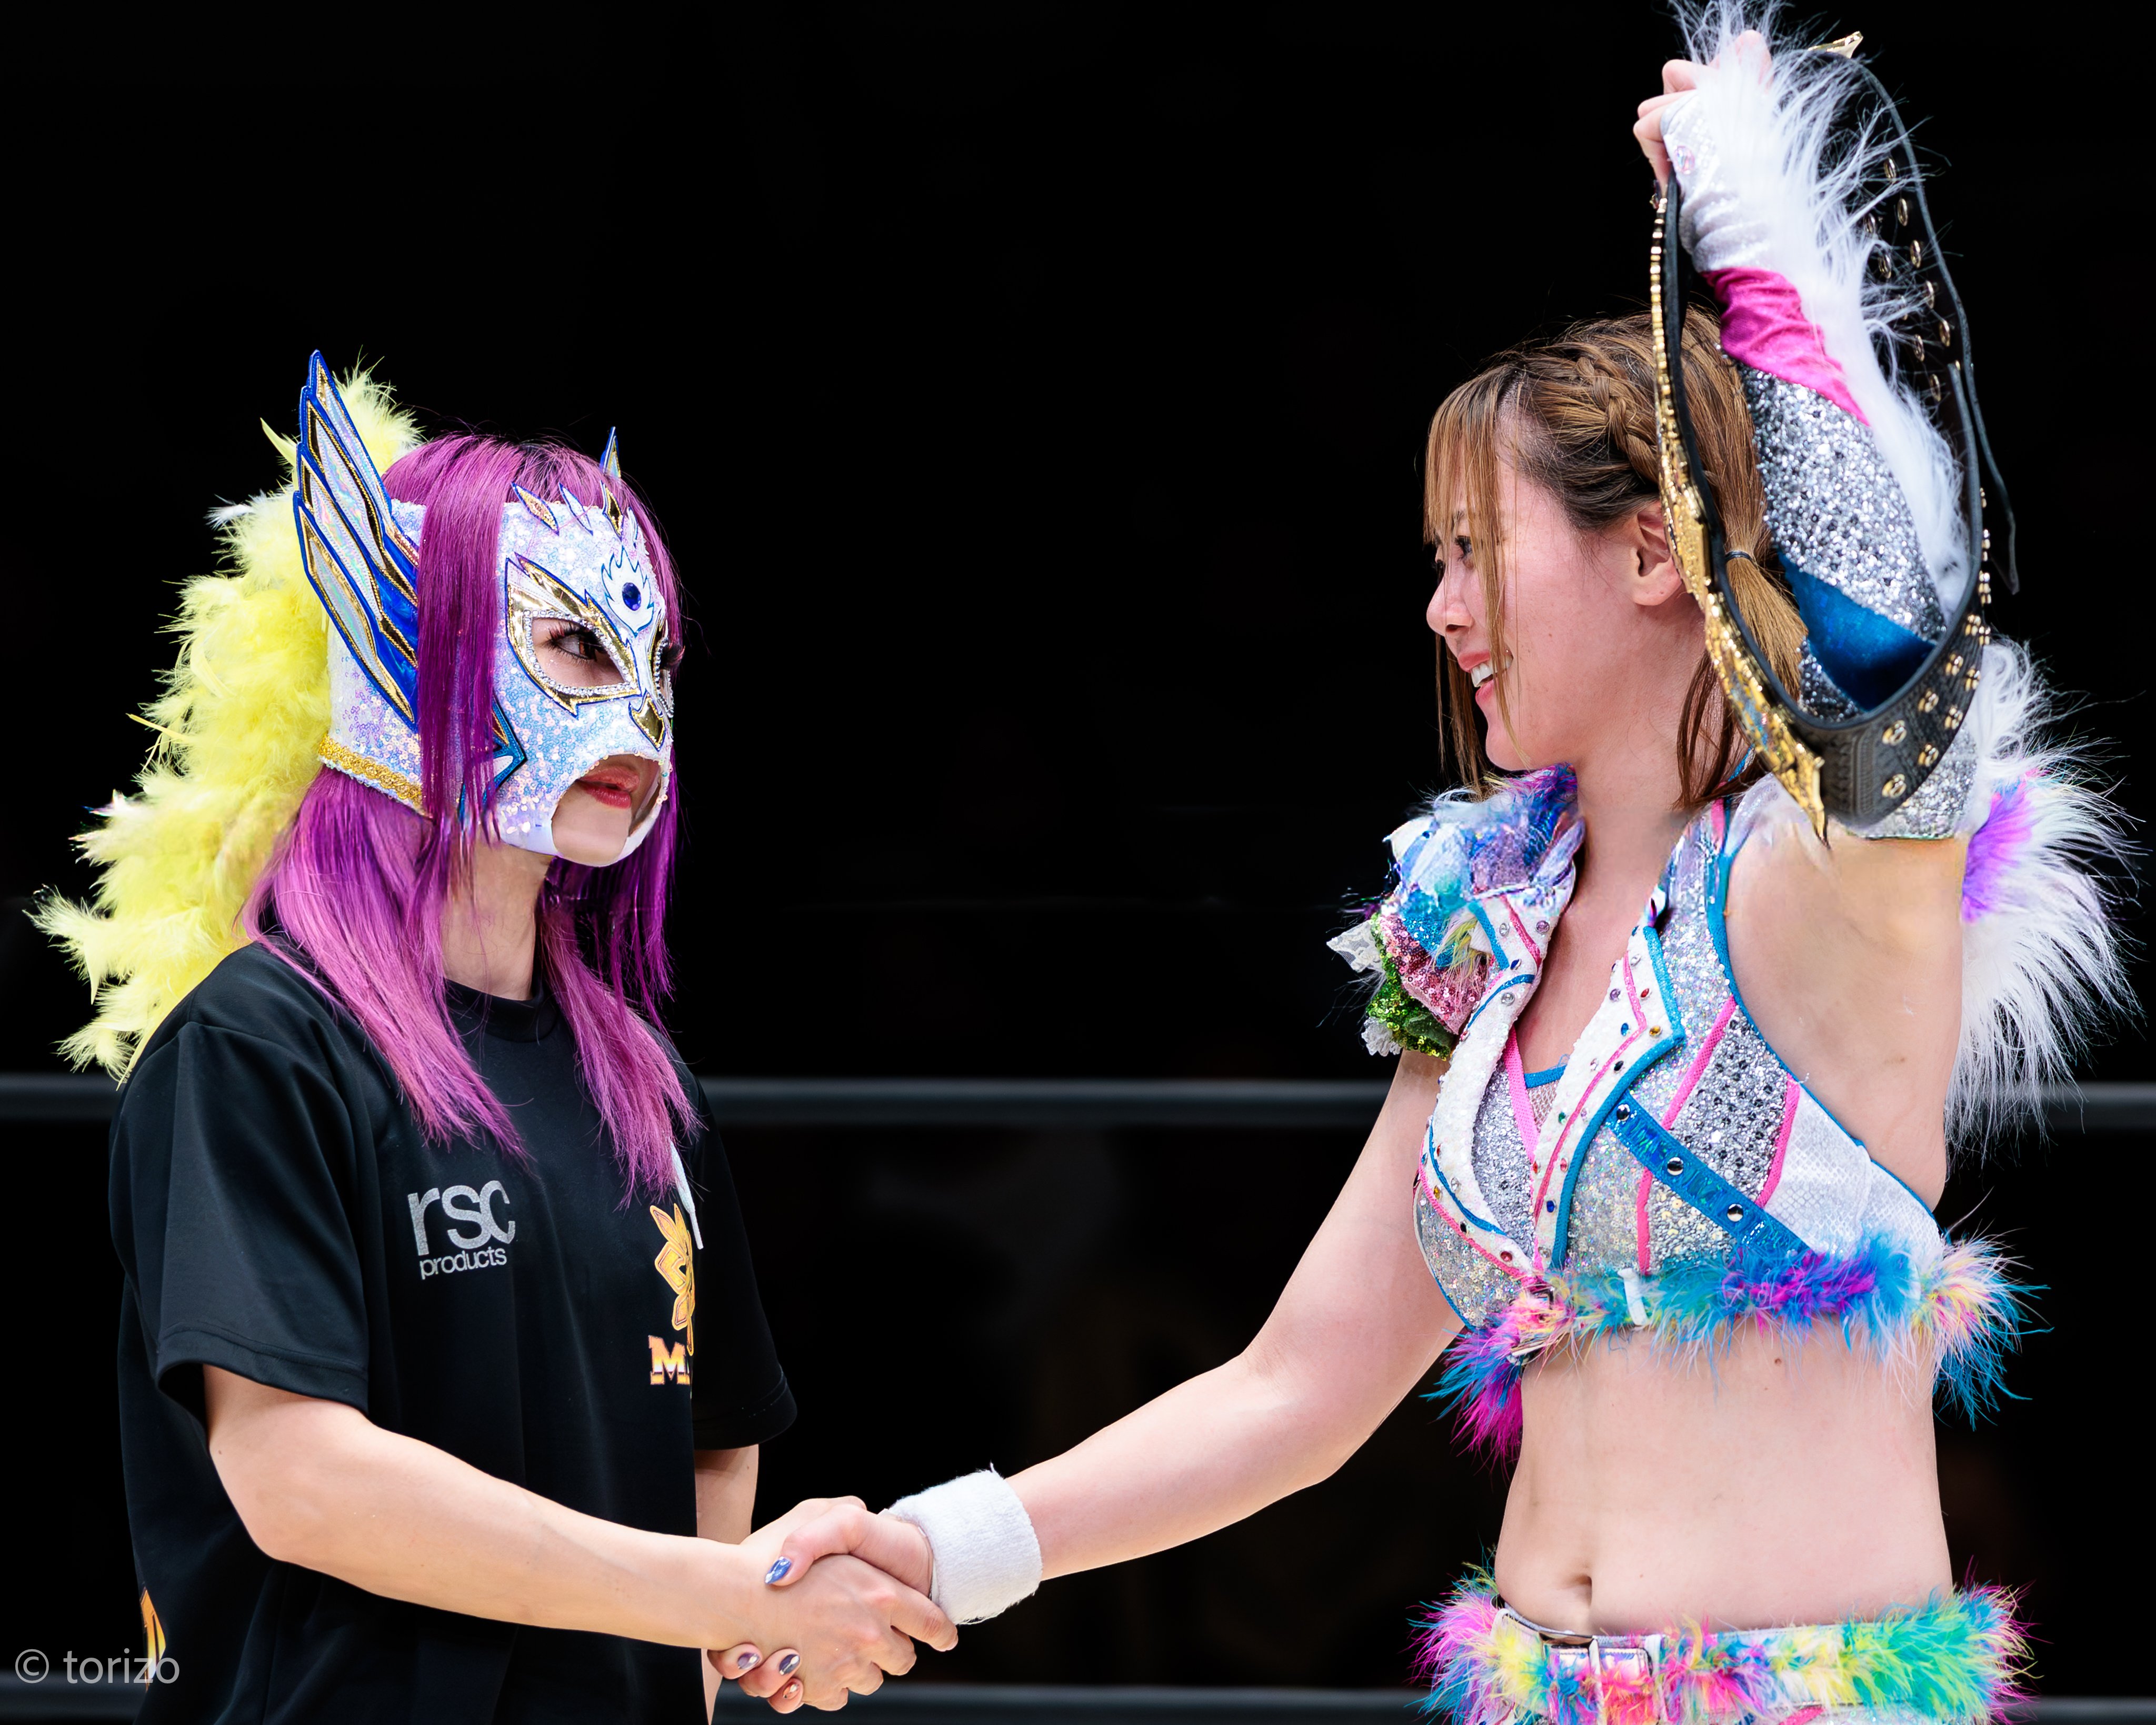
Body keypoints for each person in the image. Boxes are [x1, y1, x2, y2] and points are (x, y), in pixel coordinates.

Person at [738, 16, 2126, 1721]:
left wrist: (1755, 229)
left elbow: (1888, 630)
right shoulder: (1490, 935)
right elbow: (1297, 1391)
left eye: (1477, 551)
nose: (1440, 610)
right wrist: (929, 1551)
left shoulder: (1827, 883)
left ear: (1653, 550)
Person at [43, 359, 953, 1722]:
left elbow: (714, 1436)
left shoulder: (642, 1082)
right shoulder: (256, 1046)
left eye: (655, 658)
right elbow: (301, 1484)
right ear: (401, 651)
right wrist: (724, 1596)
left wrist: (715, 1634)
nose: (634, 708)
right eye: (574, 644)